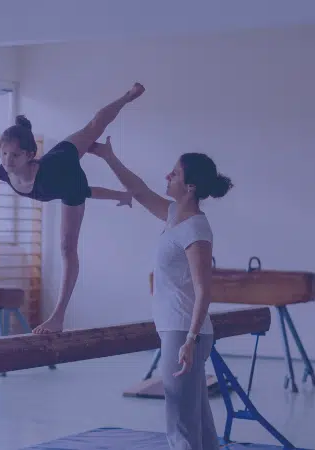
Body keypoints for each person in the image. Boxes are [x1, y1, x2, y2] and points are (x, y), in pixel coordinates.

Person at [89, 137, 233, 450]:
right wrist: (109, 157)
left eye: (174, 174)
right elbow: (138, 190)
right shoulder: (173, 216)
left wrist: (190, 340)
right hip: (180, 329)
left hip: (184, 331)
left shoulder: (195, 228)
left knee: (180, 424)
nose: (167, 177)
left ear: (190, 186)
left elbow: (203, 288)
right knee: (198, 421)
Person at [0, 82, 147, 334]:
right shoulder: (3, 172)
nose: (8, 161)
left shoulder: (53, 177)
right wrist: (122, 195)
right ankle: (100, 151)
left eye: (14, 155)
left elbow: (85, 192)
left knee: (67, 247)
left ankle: (127, 96)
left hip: (63, 166)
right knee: (89, 133)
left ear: (30, 154)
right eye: (4, 154)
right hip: (54, 165)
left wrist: (119, 195)